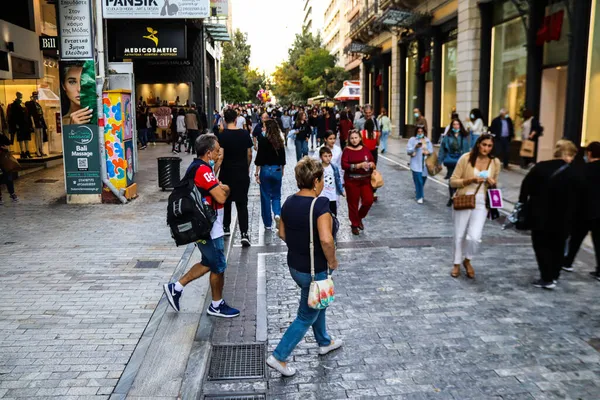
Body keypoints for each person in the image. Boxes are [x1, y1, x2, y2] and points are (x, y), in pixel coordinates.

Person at [266, 157, 341, 377]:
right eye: (321, 180)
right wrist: (333, 261)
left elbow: (282, 233)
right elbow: (327, 240)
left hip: (296, 268)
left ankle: (324, 341)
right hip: (314, 269)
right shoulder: (320, 205)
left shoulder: (289, 201)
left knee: (318, 300)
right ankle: (279, 356)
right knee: (306, 315)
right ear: (316, 180)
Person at [163, 134, 240, 317]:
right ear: (208, 152)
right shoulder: (203, 170)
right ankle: (216, 304)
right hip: (209, 226)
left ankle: (177, 287)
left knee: (209, 262)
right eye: (217, 149)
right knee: (218, 265)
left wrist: (218, 174)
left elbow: (211, 185)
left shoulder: (200, 167)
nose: (219, 152)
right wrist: (226, 189)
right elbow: (221, 196)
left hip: (208, 223)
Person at [519, 139, 578, 289]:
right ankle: (554, 275)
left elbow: (525, 188)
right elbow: (580, 196)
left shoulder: (540, 167)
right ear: (568, 155)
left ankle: (546, 277)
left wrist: (523, 204)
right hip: (564, 217)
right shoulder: (573, 173)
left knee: (541, 245)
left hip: (540, 214)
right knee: (558, 246)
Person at [449, 134, 501, 279]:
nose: (486, 148)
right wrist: (470, 180)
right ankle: (456, 263)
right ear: (478, 144)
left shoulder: (495, 162)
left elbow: (495, 183)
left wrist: (492, 182)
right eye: (484, 144)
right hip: (463, 199)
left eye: (489, 146)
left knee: (474, 237)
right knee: (459, 234)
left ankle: (467, 260)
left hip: (482, 203)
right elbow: (453, 181)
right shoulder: (466, 158)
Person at [563, 142, 600, 277]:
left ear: (589, 153)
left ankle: (568, 262)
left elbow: (576, 190)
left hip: (585, 210)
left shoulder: (584, 169)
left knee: (576, 238)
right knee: (598, 242)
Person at [218, 108, 253, 247]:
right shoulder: (244, 134)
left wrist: (213, 172)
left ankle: (226, 227)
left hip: (226, 173)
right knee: (242, 203)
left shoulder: (222, 136)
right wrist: (246, 166)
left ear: (225, 121)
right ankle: (244, 233)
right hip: (241, 173)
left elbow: (221, 156)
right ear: (236, 119)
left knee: (225, 200)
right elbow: (249, 154)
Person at [342, 130, 376, 235]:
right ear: (349, 139)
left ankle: (359, 217)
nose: (354, 140)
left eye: (356, 137)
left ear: (360, 138)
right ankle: (354, 224)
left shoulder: (365, 149)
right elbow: (344, 165)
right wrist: (358, 166)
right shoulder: (347, 150)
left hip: (365, 180)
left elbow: (372, 161)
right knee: (353, 204)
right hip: (352, 181)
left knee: (368, 201)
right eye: (352, 138)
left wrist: (370, 164)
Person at [255, 120, 286, 230]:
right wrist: (282, 170)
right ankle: (277, 213)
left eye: (264, 126)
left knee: (265, 196)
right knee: (277, 195)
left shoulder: (262, 140)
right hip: (277, 169)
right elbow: (283, 158)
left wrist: (256, 173)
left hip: (265, 170)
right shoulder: (280, 141)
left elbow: (259, 158)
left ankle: (268, 223)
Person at [438, 118, 474, 207]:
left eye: (457, 124)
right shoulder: (447, 137)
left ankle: (456, 196)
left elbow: (467, 150)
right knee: (451, 179)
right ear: (452, 126)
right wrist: (439, 162)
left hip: (461, 161)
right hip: (451, 160)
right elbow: (442, 150)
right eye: (454, 124)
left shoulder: (464, 137)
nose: (456, 126)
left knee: (459, 179)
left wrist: (469, 163)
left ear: (460, 126)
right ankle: (451, 197)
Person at [60, 62, 93, 126]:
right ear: (63, 85)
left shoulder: (101, 118)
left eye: (84, 81)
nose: (79, 89)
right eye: (72, 82)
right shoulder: (59, 124)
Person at [407, 126, 433, 204]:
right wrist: (415, 147)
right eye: (418, 132)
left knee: (423, 180)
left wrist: (427, 152)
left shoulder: (427, 141)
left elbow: (431, 151)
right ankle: (420, 196)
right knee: (418, 180)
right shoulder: (412, 140)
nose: (420, 133)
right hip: (415, 163)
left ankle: (418, 190)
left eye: (421, 132)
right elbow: (408, 151)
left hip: (425, 164)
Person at [318, 146, 344, 216]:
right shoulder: (318, 168)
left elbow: (338, 179)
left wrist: (341, 191)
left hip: (332, 196)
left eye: (329, 156)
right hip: (322, 195)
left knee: (333, 214)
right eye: (325, 156)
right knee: (322, 214)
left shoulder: (334, 167)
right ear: (321, 157)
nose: (328, 158)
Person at [0, 133, 18, 205]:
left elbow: (8, 142)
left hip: (4, 159)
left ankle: (12, 194)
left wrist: (4, 147)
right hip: (3, 159)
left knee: (8, 176)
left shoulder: (1, 136)